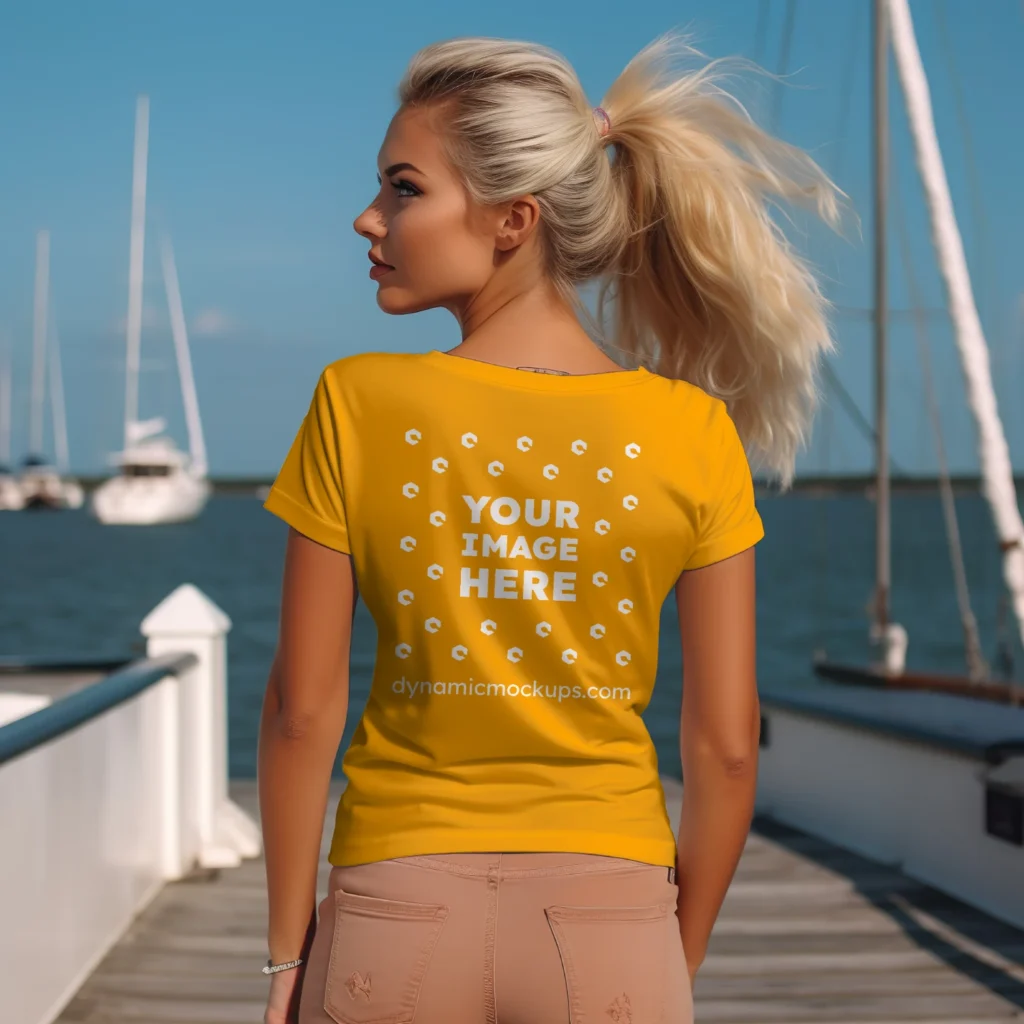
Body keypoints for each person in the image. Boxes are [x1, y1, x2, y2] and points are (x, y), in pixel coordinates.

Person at [259, 33, 838, 1024]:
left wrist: (284, 963)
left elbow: (301, 713)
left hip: (392, 909)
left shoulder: (356, 401)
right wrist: (672, 953)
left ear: (512, 219)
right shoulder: (692, 427)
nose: (369, 218)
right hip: (611, 916)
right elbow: (727, 747)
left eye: (403, 188)